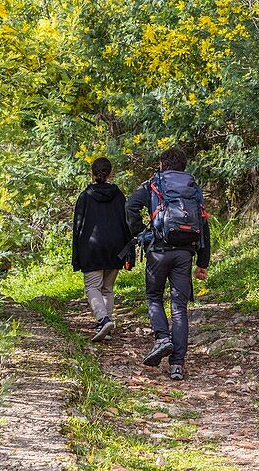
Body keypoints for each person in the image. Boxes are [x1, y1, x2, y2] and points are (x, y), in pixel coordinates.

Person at [126, 147, 210, 380]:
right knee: (179, 307)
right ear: (183, 166)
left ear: (162, 164)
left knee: (154, 296)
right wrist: (203, 262)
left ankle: (162, 338)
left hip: (158, 251)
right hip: (185, 253)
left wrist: (141, 233)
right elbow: (203, 224)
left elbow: (130, 206)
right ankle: (177, 365)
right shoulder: (192, 187)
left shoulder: (152, 184)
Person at [72, 156, 133, 343]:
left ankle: (103, 319)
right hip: (116, 247)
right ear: (110, 173)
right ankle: (105, 326)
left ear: (92, 173)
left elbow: (78, 226)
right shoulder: (119, 195)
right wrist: (128, 250)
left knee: (92, 287)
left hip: (92, 247)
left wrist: (76, 256)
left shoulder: (85, 196)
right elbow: (127, 223)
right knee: (107, 288)